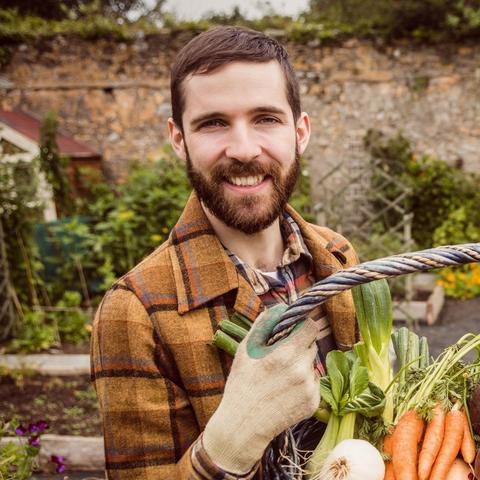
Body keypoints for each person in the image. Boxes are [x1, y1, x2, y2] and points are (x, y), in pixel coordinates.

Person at [91, 26, 359, 479]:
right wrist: (230, 443)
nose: (243, 149)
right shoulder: (135, 314)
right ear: (179, 139)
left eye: (266, 119)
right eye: (213, 123)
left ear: (300, 131)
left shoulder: (337, 255)